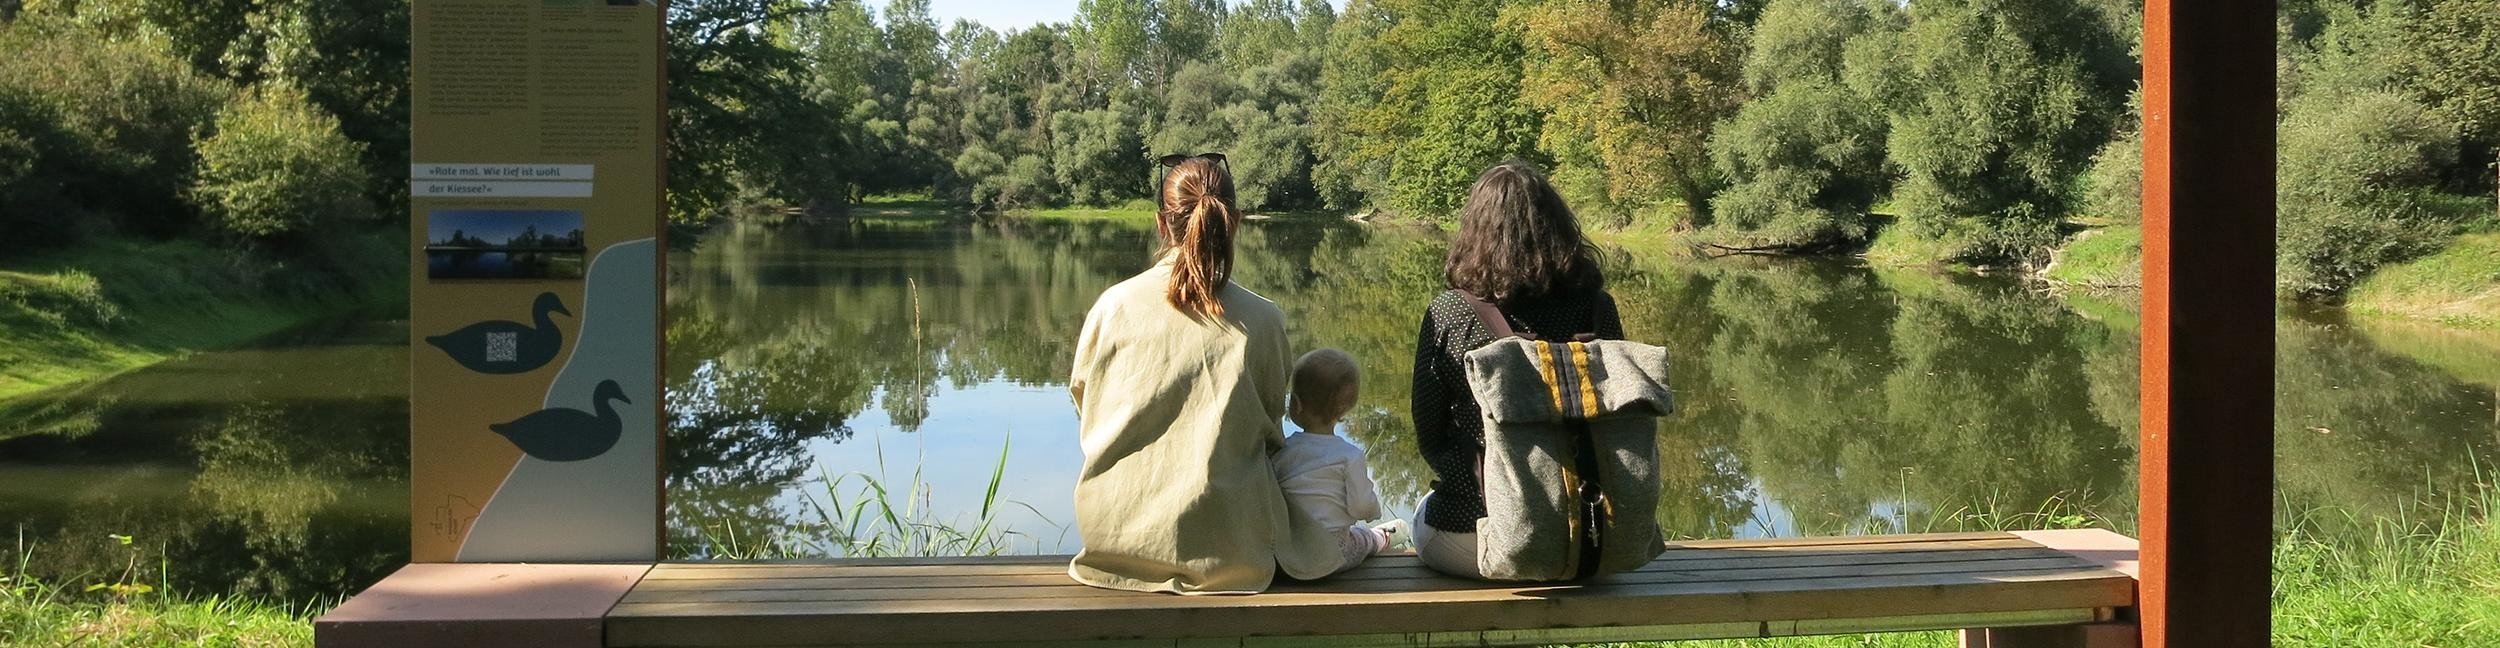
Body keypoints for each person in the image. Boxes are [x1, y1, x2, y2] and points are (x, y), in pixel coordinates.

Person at [1066, 154, 1344, 594]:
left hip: (1113, 542)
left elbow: (1085, 403)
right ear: (1233, 222)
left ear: (1162, 224)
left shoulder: (1112, 307)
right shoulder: (1264, 319)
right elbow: (1272, 423)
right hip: (1230, 550)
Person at [1408, 160, 1624, 580]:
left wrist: (1486, 493)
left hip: (1493, 534)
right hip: (1594, 537)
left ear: (1475, 231)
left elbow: (1430, 434)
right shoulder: (1598, 309)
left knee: (1420, 515)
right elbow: (1617, 421)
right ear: (1559, 228)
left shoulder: (1451, 312)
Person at [1272, 349, 1412, 574]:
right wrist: (1372, 512)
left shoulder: (1282, 451)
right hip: (1334, 553)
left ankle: (1380, 535)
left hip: (1290, 552)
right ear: (1345, 409)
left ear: (1296, 404)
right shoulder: (1349, 456)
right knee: (1364, 539)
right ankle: (1383, 537)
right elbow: (1362, 507)